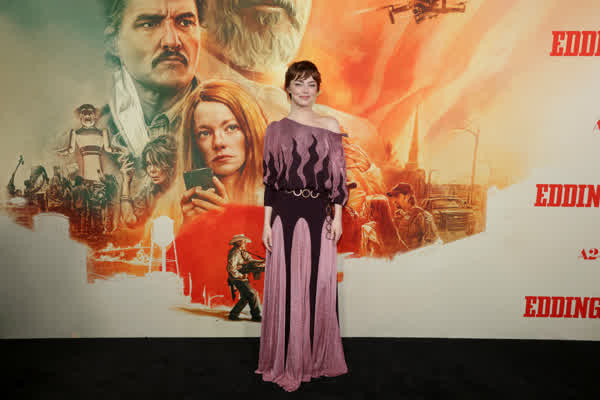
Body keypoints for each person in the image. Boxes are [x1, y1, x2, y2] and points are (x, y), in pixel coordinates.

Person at [256, 61, 348, 392]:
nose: (305, 90)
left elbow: (339, 178)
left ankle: (314, 361)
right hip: (284, 216)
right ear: (288, 89)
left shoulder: (330, 125)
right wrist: (265, 224)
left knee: (317, 286)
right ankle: (285, 360)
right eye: (299, 83)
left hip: (317, 215)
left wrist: (338, 217)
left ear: (318, 89)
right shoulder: (275, 130)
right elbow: (269, 182)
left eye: (311, 84)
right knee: (285, 287)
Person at [100, 0, 204, 158]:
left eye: (185, 22)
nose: (171, 41)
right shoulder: (94, 130)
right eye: (149, 25)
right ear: (113, 43)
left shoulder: (234, 123)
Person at [179, 79, 267, 220]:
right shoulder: (181, 206)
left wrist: (228, 223)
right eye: (205, 133)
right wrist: (191, 228)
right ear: (194, 144)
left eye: (231, 128)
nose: (218, 142)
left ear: (251, 130)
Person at [120, 135, 177, 227]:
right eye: (148, 164)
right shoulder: (148, 192)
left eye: (157, 164)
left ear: (171, 164)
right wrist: (126, 182)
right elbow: (129, 220)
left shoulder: (183, 186)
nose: (151, 170)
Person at [386, 183, 440, 250]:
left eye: (397, 196)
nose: (393, 201)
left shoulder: (423, 216)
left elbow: (433, 242)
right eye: (393, 197)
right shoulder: (399, 217)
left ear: (407, 196)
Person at [226, 234, 264, 322]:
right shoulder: (234, 253)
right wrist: (241, 275)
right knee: (251, 294)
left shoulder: (242, 251)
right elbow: (231, 269)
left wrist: (261, 262)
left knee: (246, 296)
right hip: (236, 278)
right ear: (238, 242)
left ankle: (233, 314)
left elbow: (250, 261)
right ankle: (256, 316)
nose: (245, 243)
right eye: (243, 241)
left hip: (242, 277)